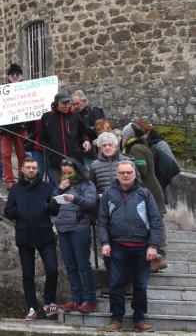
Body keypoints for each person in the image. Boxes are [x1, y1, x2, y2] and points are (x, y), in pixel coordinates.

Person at [98, 160, 163, 332]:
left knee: (140, 285)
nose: (126, 175)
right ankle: (116, 319)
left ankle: (139, 320)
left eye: (129, 172)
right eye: (122, 173)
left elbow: (156, 221)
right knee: (115, 284)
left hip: (142, 248)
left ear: (135, 174)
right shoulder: (108, 193)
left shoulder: (145, 193)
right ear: (117, 175)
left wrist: (153, 245)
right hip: (117, 247)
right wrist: (104, 242)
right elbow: (102, 221)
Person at [4, 158, 59, 321]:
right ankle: (31, 308)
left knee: (52, 270)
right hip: (24, 235)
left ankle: (49, 304)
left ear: (37, 169)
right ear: (22, 169)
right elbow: (8, 211)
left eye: (34, 167)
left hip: (44, 234)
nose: (31, 170)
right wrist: (19, 209)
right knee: (28, 274)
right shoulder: (15, 189)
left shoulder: (47, 187)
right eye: (28, 167)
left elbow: (55, 210)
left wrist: (48, 206)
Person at [50, 158, 97, 314]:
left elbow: (91, 204)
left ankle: (89, 300)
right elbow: (52, 205)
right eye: (63, 173)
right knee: (70, 267)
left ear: (77, 171)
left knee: (83, 266)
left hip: (80, 229)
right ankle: (76, 299)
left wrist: (75, 198)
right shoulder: (62, 185)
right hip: (63, 229)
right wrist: (58, 190)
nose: (66, 176)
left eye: (69, 173)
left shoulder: (87, 185)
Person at [122, 121, 167, 270]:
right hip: (151, 190)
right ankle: (157, 257)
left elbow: (141, 170)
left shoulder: (136, 148)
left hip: (150, 191)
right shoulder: (140, 145)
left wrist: (126, 174)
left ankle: (159, 257)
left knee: (156, 222)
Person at [40, 92, 92, 186]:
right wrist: (51, 153)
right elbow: (42, 139)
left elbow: (83, 133)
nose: (66, 105)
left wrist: (86, 141)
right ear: (56, 103)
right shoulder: (47, 117)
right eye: (63, 103)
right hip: (56, 162)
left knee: (78, 185)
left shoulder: (75, 115)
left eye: (68, 103)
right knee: (59, 188)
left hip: (75, 159)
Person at [0, 64, 28, 188]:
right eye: (12, 74)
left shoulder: (26, 89)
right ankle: (9, 181)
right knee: (5, 154)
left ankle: (23, 178)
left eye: (17, 74)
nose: (15, 76)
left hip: (21, 127)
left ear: (21, 76)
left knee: (22, 154)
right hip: (6, 128)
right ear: (9, 77)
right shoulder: (1, 91)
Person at [71, 90, 105, 166]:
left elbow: (101, 131)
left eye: (77, 103)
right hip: (80, 151)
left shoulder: (94, 111)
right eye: (73, 104)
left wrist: (82, 127)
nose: (75, 106)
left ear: (84, 101)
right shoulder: (76, 114)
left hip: (93, 151)